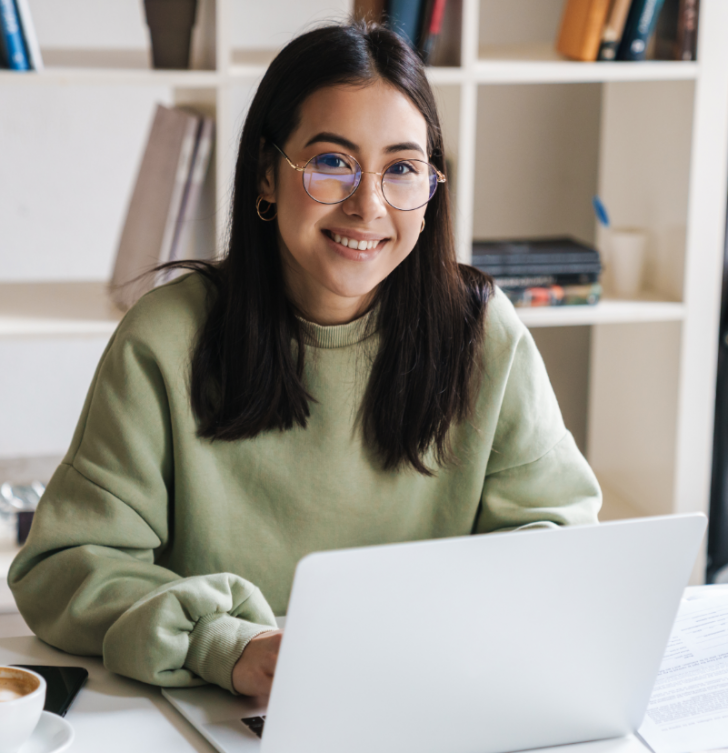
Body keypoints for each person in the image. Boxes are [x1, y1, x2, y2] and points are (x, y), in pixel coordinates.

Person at [9, 22, 601, 699]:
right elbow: (66, 567)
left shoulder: (482, 332)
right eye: (331, 162)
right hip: (226, 707)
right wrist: (226, 644)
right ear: (267, 176)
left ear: (432, 187)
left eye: (402, 168)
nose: (368, 204)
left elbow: (559, 536)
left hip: (433, 695)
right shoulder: (167, 339)